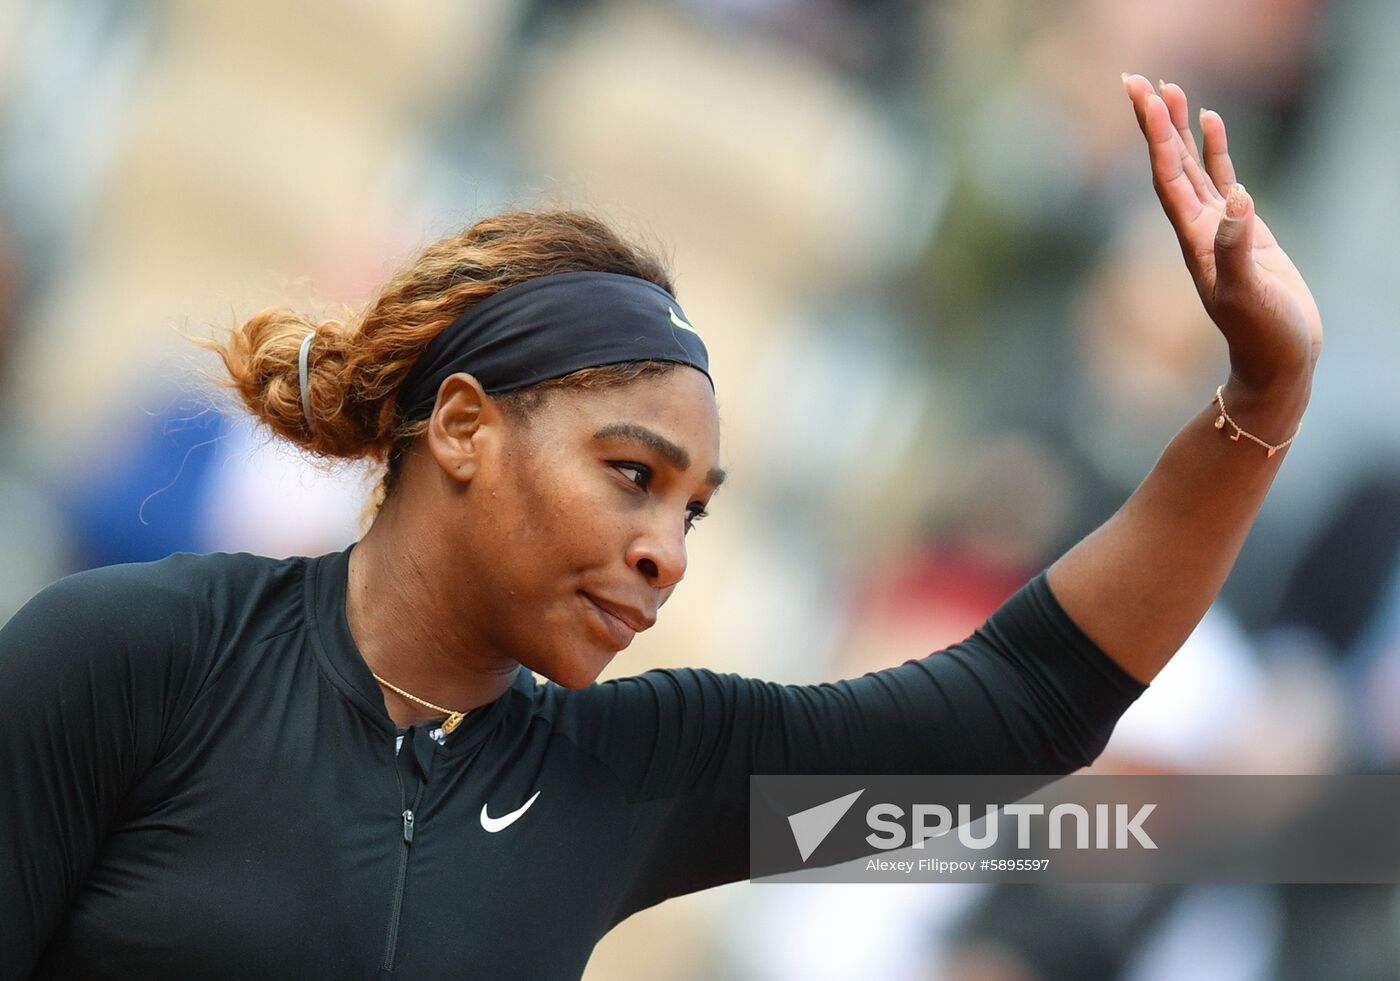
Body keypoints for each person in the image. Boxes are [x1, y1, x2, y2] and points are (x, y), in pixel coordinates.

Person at [0, 75, 1320, 980]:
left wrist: (1262, 397)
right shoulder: (133, 654)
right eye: (631, 474)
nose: (669, 551)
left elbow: (1026, 699)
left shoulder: (632, 774)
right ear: (462, 428)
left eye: (693, 510)